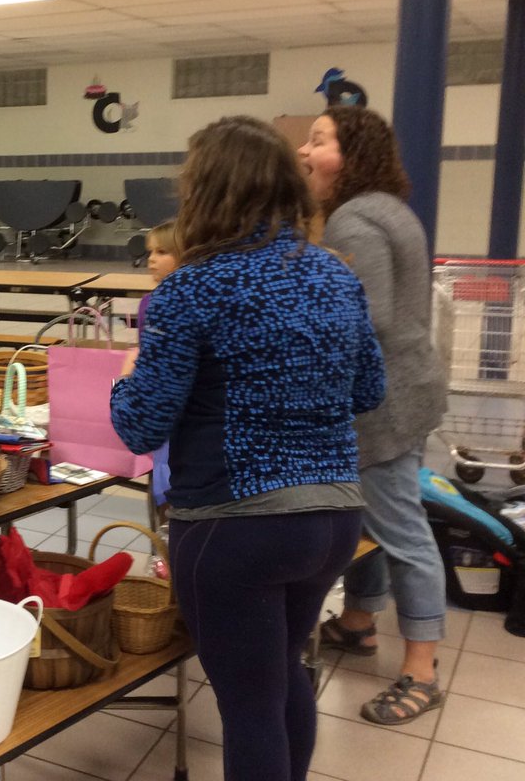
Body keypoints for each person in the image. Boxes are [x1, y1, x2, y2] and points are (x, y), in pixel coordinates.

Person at [110, 115, 385, 781]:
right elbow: (369, 390)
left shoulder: (190, 290)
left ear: (203, 193)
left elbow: (141, 428)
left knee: (249, 709)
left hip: (237, 528)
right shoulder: (333, 275)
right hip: (332, 520)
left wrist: (125, 379)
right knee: (284, 676)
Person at [300, 105, 449, 725]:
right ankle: (360, 621)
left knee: (402, 529)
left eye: (317, 141)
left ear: (350, 155)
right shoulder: (391, 206)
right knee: (375, 515)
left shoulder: (353, 219)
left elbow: (368, 317)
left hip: (383, 400)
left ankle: (421, 669)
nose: (304, 152)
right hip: (409, 386)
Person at [137, 220, 177, 514]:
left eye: (162, 252)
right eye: (151, 251)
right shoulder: (148, 303)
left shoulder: (178, 304)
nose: (152, 259)